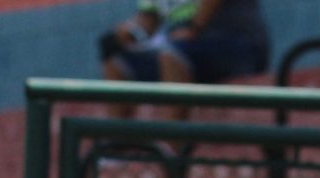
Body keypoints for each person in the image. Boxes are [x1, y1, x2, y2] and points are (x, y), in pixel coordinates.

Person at [101, 0, 271, 109]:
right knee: (117, 59)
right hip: (183, 49)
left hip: (236, 43)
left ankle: (171, 153)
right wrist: (128, 33)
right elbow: (149, 18)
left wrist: (194, 27)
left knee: (171, 54)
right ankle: (119, 150)